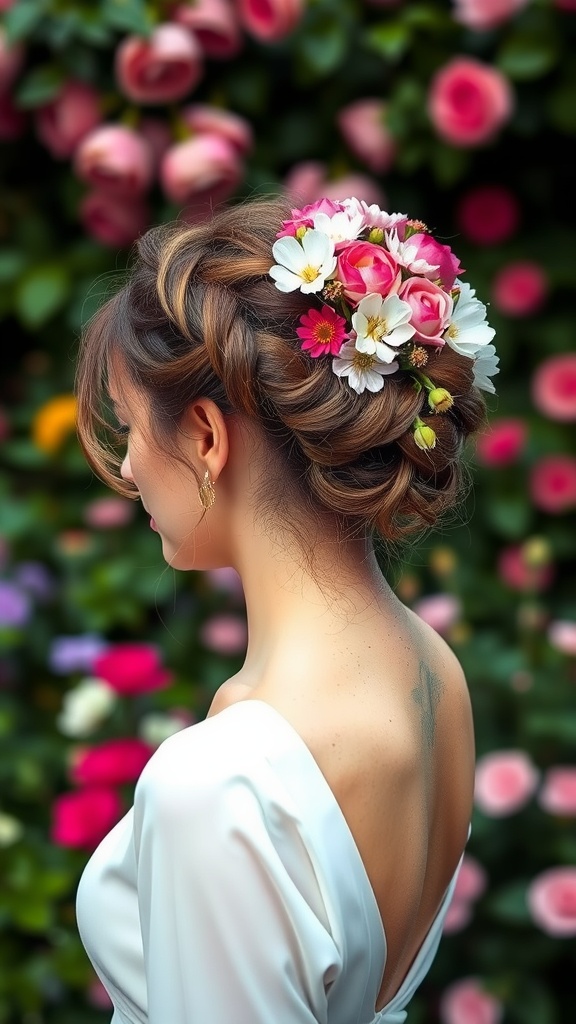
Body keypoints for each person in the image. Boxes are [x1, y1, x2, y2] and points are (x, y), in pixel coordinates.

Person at [74, 194, 498, 1024]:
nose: (127, 469)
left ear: (205, 436)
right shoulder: (428, 669)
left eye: (129, 428)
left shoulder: (223, 782)